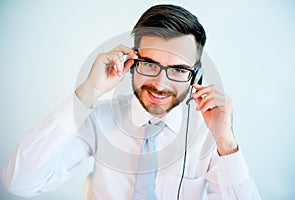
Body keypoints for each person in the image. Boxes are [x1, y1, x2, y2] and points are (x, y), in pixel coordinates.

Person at [2, 4, 261, 200]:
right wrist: (88, 92)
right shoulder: (99, 119)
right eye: (149, 64)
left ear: (197, 75)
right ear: (131, 64)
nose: (160, 84)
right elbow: (20, 183)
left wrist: (226, 142)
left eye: (179, 70)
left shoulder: (209, 136)